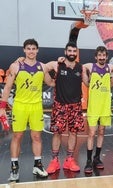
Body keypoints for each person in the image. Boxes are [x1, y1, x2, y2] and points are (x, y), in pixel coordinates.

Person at [0, 39, 54, 181]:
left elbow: (51, 82)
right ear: (24, 50)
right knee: (17, 136)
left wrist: (62, 70)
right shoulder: (16, 66)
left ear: (37, 50)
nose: (31, 51)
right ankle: (14, 168)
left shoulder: (42, 67)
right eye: (28, 48)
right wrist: (2, 108)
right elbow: (7, 88)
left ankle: (37, 165)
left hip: (36, 106)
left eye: (33, 48)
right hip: (20, 106)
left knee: (37, 137)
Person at [45, 42, 85, 174]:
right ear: (65, 51)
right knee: (57, 133)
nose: (72, 53)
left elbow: (88, 82)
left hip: (76, 106)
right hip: (60, 105)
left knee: (73, 133)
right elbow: (42, 68)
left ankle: (69, 159)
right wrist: (21, 59)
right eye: (70, 51)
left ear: (77, 53)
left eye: (74, 51)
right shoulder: (57, 64)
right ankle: (54, 161)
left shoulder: (81, 68)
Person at [82, 46, 113, 174]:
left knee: (101, 132)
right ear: (96, 57)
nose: (101, 58)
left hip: (105, 106)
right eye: (99, 55)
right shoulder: (90, 66)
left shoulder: (110, 68)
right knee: (91, 133)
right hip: (93, 107)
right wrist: (86, 79)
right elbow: (80, 66)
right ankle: (88, 160)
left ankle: (97, 158)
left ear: (106, 57)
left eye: (104, 56)